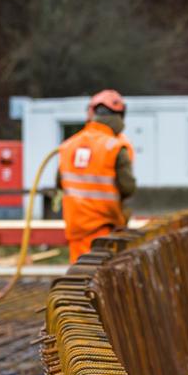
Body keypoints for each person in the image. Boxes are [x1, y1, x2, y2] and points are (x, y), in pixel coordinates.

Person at [57, 89, 136, 262]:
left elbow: (60, 182)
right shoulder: (115, 147)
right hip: (104, 230)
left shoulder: (68, 145)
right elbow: (128, 188)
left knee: (78, 280)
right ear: (119, 116)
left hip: (75, 228)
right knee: (102, 281)